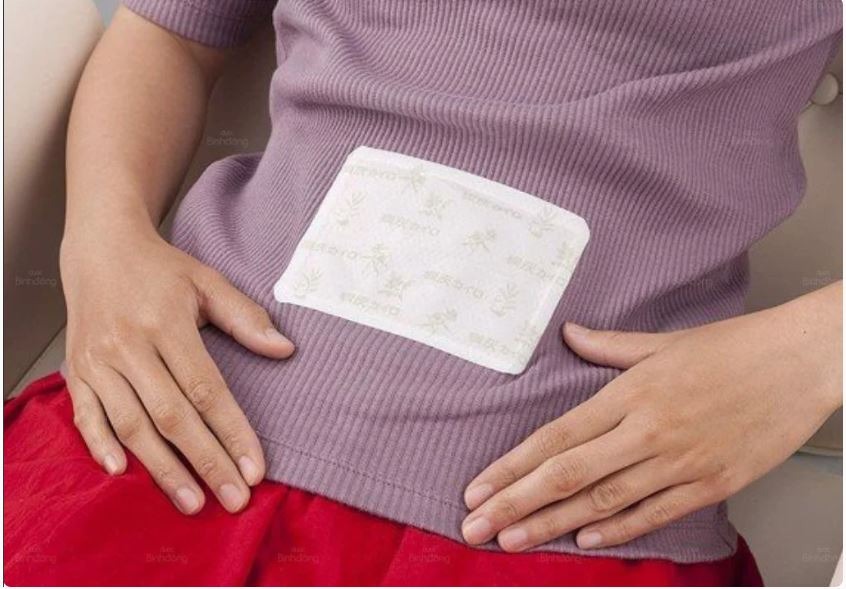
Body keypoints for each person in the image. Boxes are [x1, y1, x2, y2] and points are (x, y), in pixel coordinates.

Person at [4, 0, 842, 585]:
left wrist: (816, 350)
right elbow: (168, 33)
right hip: (182, 424)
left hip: (567, 506)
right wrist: (102, 239)